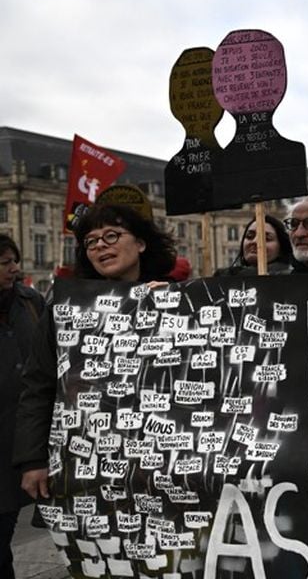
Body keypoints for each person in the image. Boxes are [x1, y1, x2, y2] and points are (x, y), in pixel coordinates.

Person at [15, 204, 178, 503]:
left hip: (160, 460)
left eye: (111, 235)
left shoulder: (176, 298)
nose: (100, 245)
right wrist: (32, 460)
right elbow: (38, 385)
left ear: (141, 243)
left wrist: (175, 310)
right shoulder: (64, 309)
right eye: (90, 241)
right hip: (86, 459)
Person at [1, 236, 42, 579]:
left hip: (24, 435)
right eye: (5, 263)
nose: (14, 268)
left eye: (14, 260)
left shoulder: (31, 302)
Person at [215, 215, 295, 276]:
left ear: (281, 247)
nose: (255, 241)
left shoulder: (291, 277)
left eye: (266, 238)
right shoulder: (223, 277)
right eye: (249, 236)